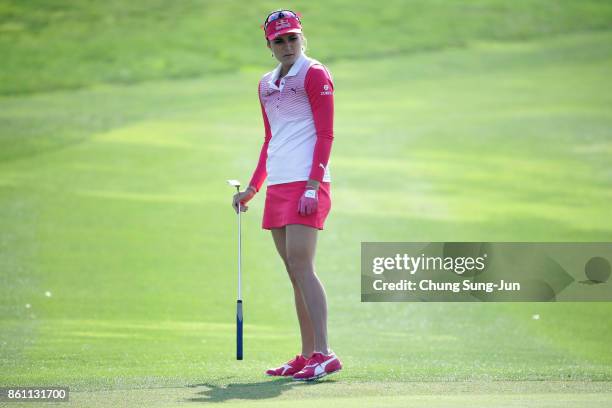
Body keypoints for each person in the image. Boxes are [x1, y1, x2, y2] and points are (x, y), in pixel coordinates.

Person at [232, 9, 342, 381]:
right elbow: (270, 139)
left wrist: (313, 184)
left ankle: (325, 353)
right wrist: (252, 188)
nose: (287, 45)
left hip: (307, 181)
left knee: (302, 265)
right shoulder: (266, 84)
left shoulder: (314, 73)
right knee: (293, 271)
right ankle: (308, 353)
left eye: (292, 37)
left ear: (301, 38)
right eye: (279, 40)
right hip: (279, 182)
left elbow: (326, 135)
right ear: (269, 45)